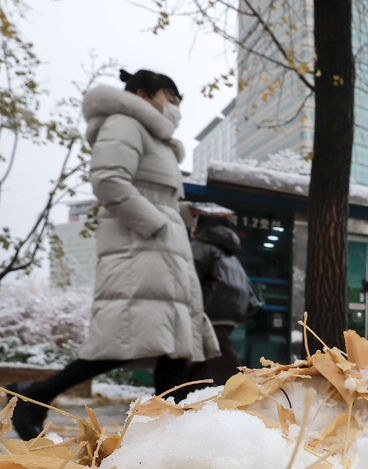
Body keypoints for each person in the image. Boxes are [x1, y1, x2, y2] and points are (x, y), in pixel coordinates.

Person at [9, 68, 218, 440]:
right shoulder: (126, 122)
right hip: (139, 247)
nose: (175, 107)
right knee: (126, 337)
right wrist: (157, 222)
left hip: (161, 248)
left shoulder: (158, 140)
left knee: (174, 347)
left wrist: (183, 215)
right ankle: (36, 395)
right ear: (143, 93)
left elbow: (155, 195)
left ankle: (165, 432)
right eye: (170, 98)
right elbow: (108, 180)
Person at [186, 212, 254, 386]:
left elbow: (190, 279)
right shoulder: (229, 253)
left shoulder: (200, 246)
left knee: (220, 356)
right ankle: (182, 394)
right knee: (201, 356)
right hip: (231, 308)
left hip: (211, 308)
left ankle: (241, 393)